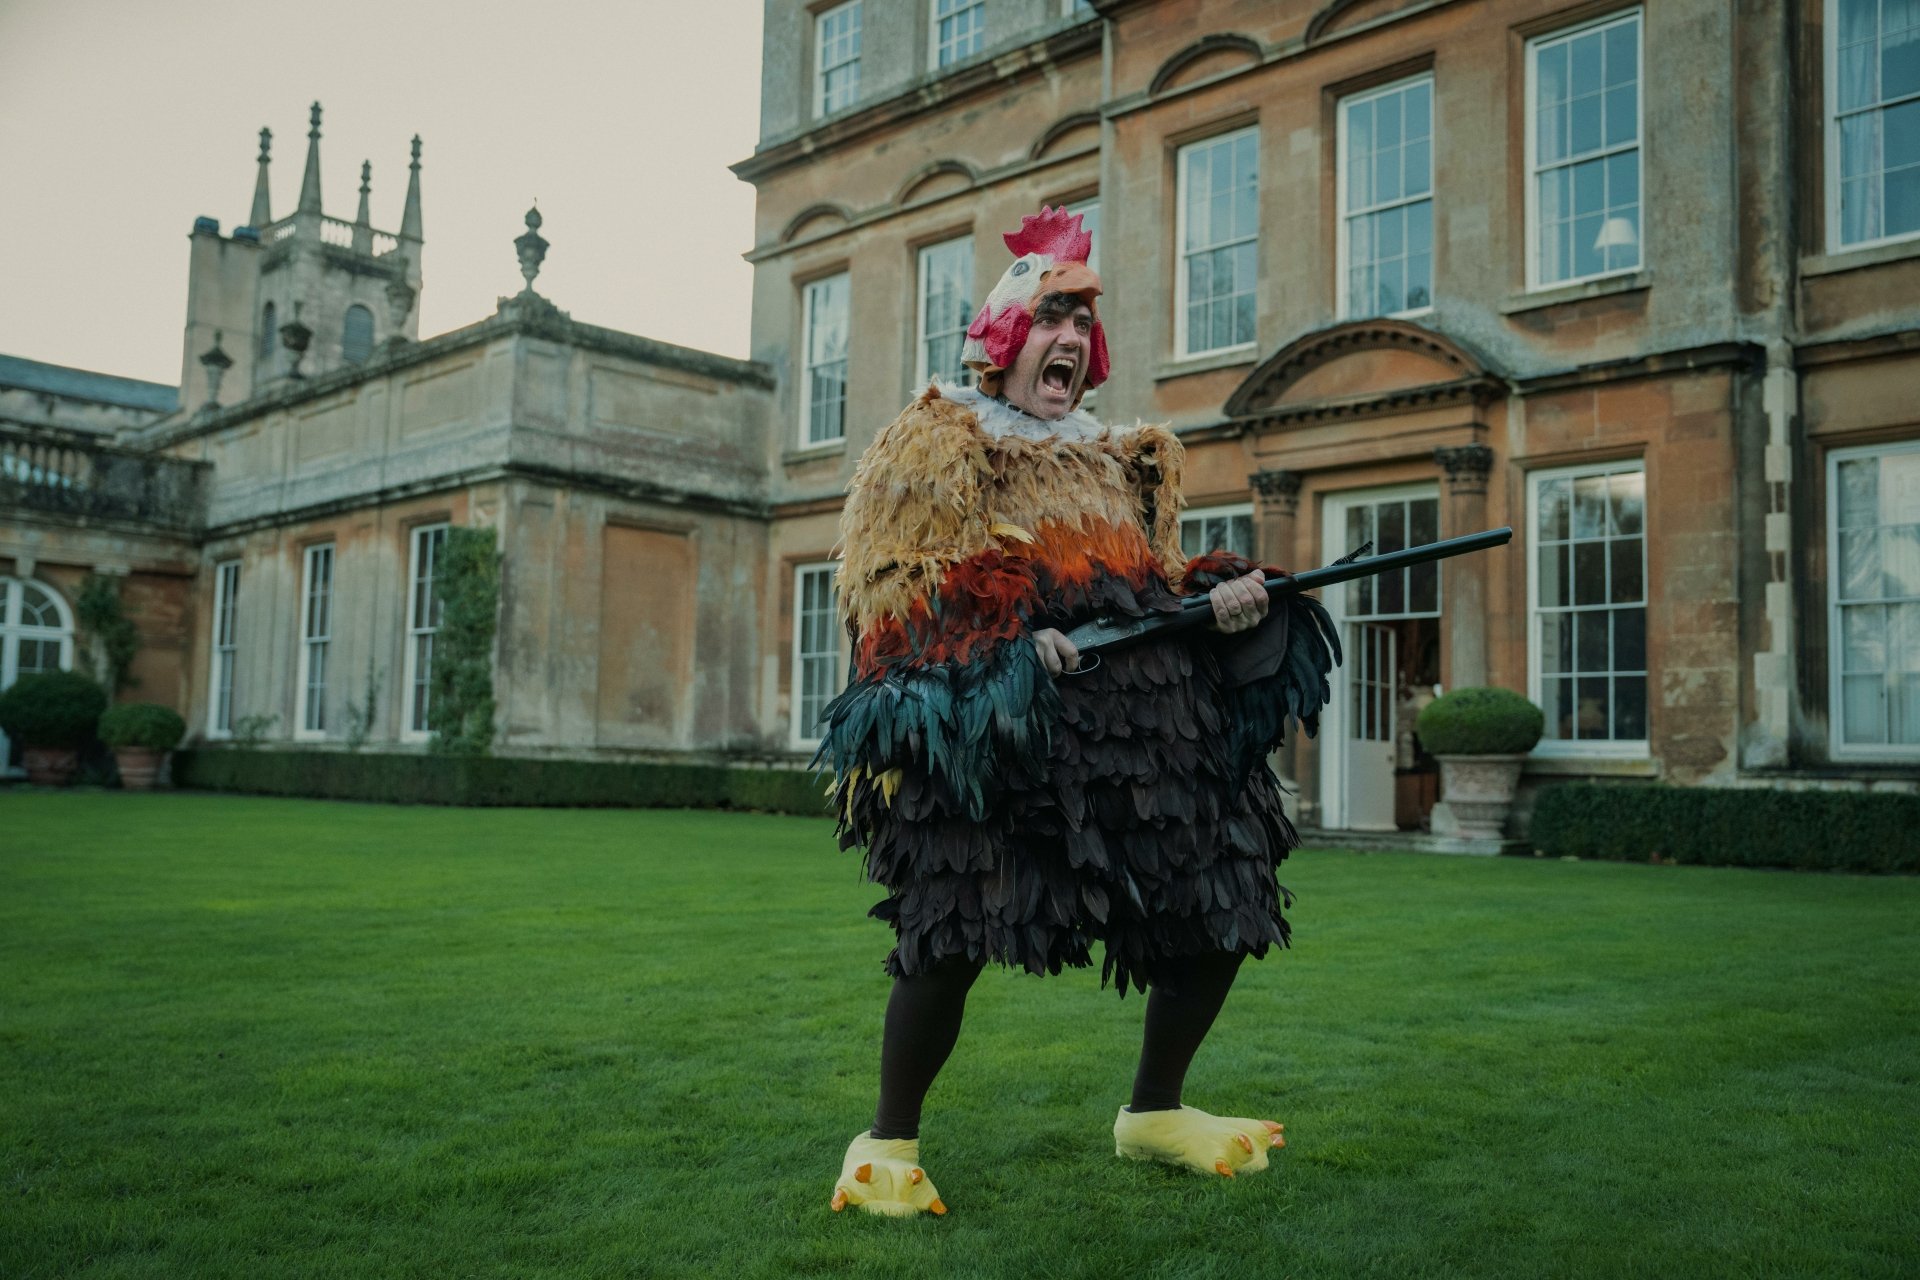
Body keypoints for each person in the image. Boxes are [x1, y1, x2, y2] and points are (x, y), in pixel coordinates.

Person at [815, 207, 1337, 1217]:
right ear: (1007, 337)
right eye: (1051, 315)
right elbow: (895, 589)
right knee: (955, 924)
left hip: (1145, 737)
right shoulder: (942, 439)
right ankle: (884, 1143)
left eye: (1082, 323)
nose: (1070, 338)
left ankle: (1154, 1110)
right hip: (1015, 735)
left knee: (1226, 888)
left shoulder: (1124, 456)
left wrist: (1223, 599)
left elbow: (1153, 583)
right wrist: (1006, 635)